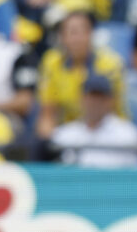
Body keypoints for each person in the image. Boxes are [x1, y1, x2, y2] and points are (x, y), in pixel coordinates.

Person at [37, 10, 125, 140]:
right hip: (69, 131)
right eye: (71, 33)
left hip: (106, 127)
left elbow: (108, 107)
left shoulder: (111, 63)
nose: (77, 39)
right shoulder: (52, 62)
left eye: (82, 32)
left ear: (91, 34)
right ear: (62, 37)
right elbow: (48, 113)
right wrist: (49, 138)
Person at [51, 74, 137, 168]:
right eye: (91, 97)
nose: (95, 102)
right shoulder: (64, 134)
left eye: (101, 98)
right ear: (81, 99)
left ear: (110, 101)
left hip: (113, 182)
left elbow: (132, 175)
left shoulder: (127, 133)